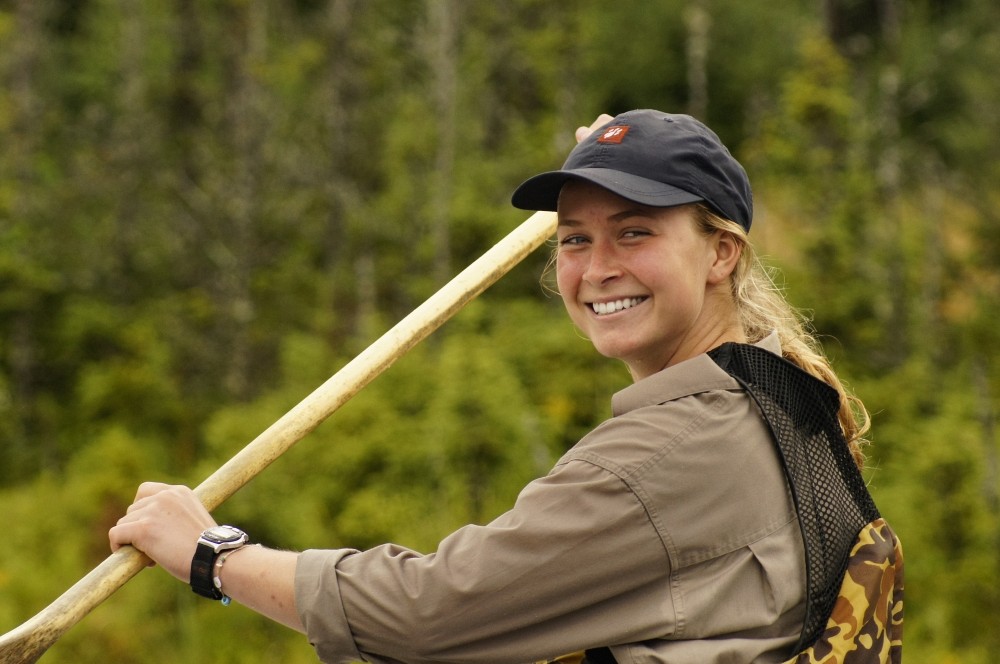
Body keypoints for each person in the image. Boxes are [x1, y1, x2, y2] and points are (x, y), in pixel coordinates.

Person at [109, 109, 884, 663]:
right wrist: (619, 161)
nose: (597, 267)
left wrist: (211, 554)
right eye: (575, 238)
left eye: (635, 230)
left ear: (721, 255)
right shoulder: (783, 390)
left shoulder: (663, 456)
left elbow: (427, 615)